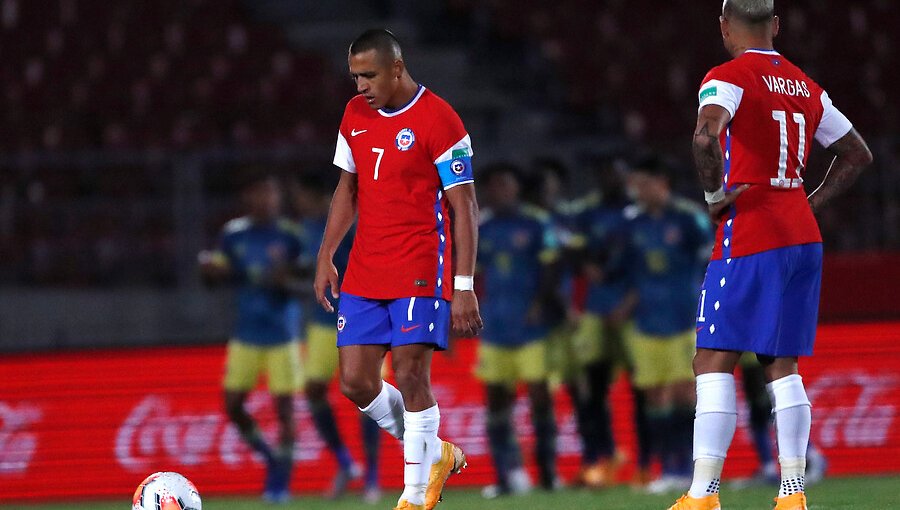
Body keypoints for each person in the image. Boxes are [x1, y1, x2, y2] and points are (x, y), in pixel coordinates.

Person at [670, 1, 872, 509]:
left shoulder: (727, 76)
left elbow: (704, 138)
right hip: (801, 234)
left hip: (752, 230)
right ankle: (792, 493)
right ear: (776, 27)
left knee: (713, 358)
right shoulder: (806, 86)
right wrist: (809, 204)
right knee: (783, 365)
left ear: (724, 26)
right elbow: (856, 155)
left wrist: (715, 198)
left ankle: (702, 494)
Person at [314, 29, 482, 510]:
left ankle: (413, 496)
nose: (360, 86)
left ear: (396, 68)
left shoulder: (440, 119)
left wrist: (463, 284)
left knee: (410, 372)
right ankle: (434, 456)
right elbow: (347, 190)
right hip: (366, 268)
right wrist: (327, 254)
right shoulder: (354, 116)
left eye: (368, 75)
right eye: (354, 76)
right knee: (356, 382)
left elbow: (464, 206)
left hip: (420, 264)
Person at [198, 172, 303, 503]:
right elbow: (214, 274)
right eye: (260, 193)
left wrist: (286, 280)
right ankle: (270, 457)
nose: (266, 200)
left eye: (271, 193)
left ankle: (281, 481)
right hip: (246, 333)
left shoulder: (290, 235)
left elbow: (308, 281)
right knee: (232, 405)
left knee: (284, 409)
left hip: (281, 333)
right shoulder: (234, 234)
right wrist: (210, 271)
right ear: (248, 197)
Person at [618, 155, 713, 494]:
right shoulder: (632, 223)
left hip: (684, 317)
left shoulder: (689, 219)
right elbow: (626, 270)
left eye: (644, 184)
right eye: (635, 185)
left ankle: (686, 467)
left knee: (683, 392)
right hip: (646, 321)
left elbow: (710, 261)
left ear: (662, 184)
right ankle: (666, 467)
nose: (638, 190)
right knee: (655, 396)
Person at [292, 175, 383, 503]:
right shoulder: (307, 228)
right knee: (314, 389)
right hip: (322, 322)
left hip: (360, 318)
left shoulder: (348, 222)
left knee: (366, 394)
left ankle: (372, 476)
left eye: (301, 196)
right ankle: (346, 463)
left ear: (318, 196)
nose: (297, 202)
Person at [475, 163, 562, 498]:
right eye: (494, 186)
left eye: (505, 184)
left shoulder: (537, 223)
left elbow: (552, 265)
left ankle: (548, 473)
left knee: (540, 398)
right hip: (495, 326)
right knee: (496, 402)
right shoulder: (483, 227)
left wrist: (541, 304)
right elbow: (473, 275)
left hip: (531, 328)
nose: (499, 191)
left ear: (516, 188)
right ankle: (505, 475)